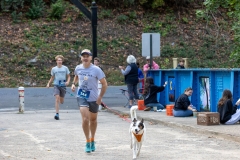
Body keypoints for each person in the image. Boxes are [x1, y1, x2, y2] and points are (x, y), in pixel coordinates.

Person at [71, 49, 107, 153]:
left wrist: (100, 97)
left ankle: (92, 139)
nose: (85, 58)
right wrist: (73, 84)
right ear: (81, 58)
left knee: (93, 120)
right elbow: (76, 76)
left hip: (94, 98)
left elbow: (104, 84)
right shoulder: (78, 68)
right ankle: (87, 141)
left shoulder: (96, 70)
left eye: (87, 56)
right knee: (85, 119)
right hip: (82, 96)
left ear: (91, 58)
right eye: (83, 56)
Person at [46, 55, 70, 120]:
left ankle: (61, 99)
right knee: (57, 98)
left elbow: (69, 76)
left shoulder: (65, 68)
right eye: (58, 60)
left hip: (63, 85)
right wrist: (48, 83)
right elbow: (52, 77)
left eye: (61, 60)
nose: (59, 61)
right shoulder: (54, 69)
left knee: (61, 101)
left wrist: (67, 82)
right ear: (56, 61)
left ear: (62, 61)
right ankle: (57, 114)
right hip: (56, 85)